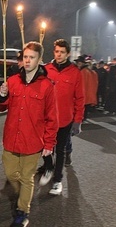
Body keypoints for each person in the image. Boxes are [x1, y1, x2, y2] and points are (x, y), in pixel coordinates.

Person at [0, 41, 58, 226]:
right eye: (25, 57)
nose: (27, 60)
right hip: (11, 138)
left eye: (32, 57)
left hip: (33, 140)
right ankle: (21, 195)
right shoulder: (12, 81)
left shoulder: (46, 85)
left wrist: (48, 143)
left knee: (26, 177)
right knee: (11, 175)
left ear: (39, 60)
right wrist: (2, 94)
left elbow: (52, 118)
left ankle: (23, 211)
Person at [39, 39, 84, 195]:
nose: (59, 54)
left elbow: (80, 98)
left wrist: (77, 121)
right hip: (45, 118)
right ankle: (48, 167)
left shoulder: (75, 73)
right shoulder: (45, 69)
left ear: (68, 53)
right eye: (57, 51)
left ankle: (57, 180)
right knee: (43, 146)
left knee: (60, 150)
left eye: (62, 52)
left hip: (64, 119)